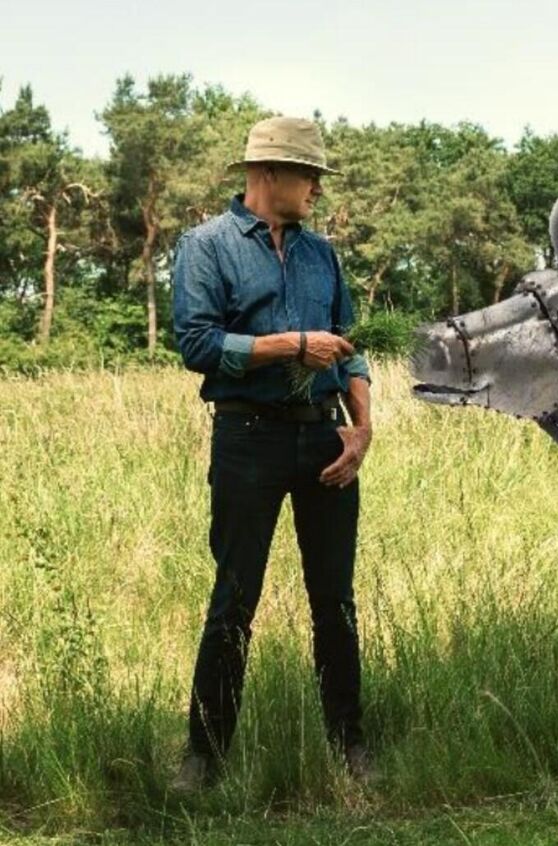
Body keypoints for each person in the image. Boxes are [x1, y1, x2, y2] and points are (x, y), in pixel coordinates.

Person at [170, 116, 374, 790]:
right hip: (247, 439)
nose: (317, 187)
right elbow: (198, 344)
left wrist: (362, 426)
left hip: (325, 438)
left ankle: (350, 749)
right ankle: (205, 761)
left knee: (335, 602)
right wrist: (291, 345)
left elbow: (350, 345)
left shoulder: (323, 255)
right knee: (233, 600)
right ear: (267, 175)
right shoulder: (206, 247)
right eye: (308, 174)